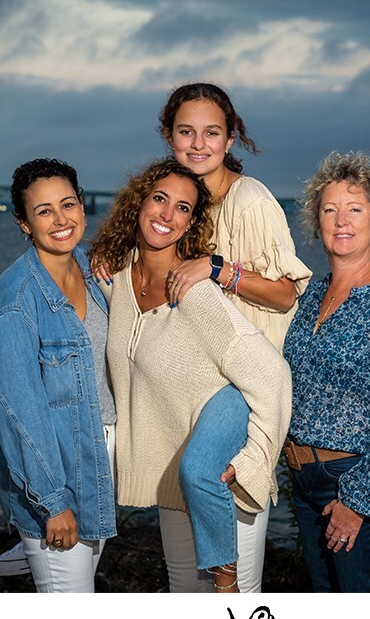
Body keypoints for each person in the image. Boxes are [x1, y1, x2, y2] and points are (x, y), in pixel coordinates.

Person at [93, 82, 310, 591]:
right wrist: (106, 258)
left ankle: (230, 595)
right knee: (182, 578)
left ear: (230, 139)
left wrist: (217, 269)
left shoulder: (249, 200)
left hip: (246, 391)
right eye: (185, 131)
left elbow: (286, 295)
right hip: (194, 394)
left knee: (232, 586)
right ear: (168, 136)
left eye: (211, 132)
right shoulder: (181, 201)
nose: (197, 143)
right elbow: (146, 262)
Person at [283, 151, 370, 592]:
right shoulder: (312, 295)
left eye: (355, 209)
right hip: (303, 482)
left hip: (355, 487)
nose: (341, 221)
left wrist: (358, 502)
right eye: (330, 210)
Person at [0, 158, 116, 592]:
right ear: (24, 223)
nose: (61, 220)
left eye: (68, 204)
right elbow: (21, 414)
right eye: (44, 211)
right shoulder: (16, 302)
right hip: (58, 473)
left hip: (100, 455)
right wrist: (53, 502)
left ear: (82, 206)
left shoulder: (92, 269)